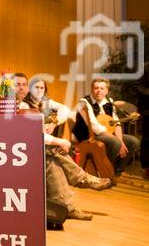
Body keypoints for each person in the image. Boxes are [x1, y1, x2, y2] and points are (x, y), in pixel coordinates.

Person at [19, 76, 111, 221]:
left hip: (43, 148)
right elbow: (35, 135)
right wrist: (59, 142)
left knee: (52, 163)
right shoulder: (24, 107)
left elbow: (65, 109)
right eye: (36, 87)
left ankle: (69, 208)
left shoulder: (46, 103)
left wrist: (54, 122)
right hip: (26, 149)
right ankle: (83, 179)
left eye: (42, 87)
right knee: (53, 151)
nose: (39, 90)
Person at [73, 78, 140, 178]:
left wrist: (121, 141)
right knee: (115, 142)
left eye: (102, 88)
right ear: (92, 89)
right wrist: (117, 140)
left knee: (132, 141)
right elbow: (94, 127)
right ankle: (106, 171)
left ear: (107, 91)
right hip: (88, 135)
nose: (99, 90)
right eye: (96, 88)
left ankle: (117, 171)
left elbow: (116, 123)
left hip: (106, 134)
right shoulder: (84, 102)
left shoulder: (109, 101)